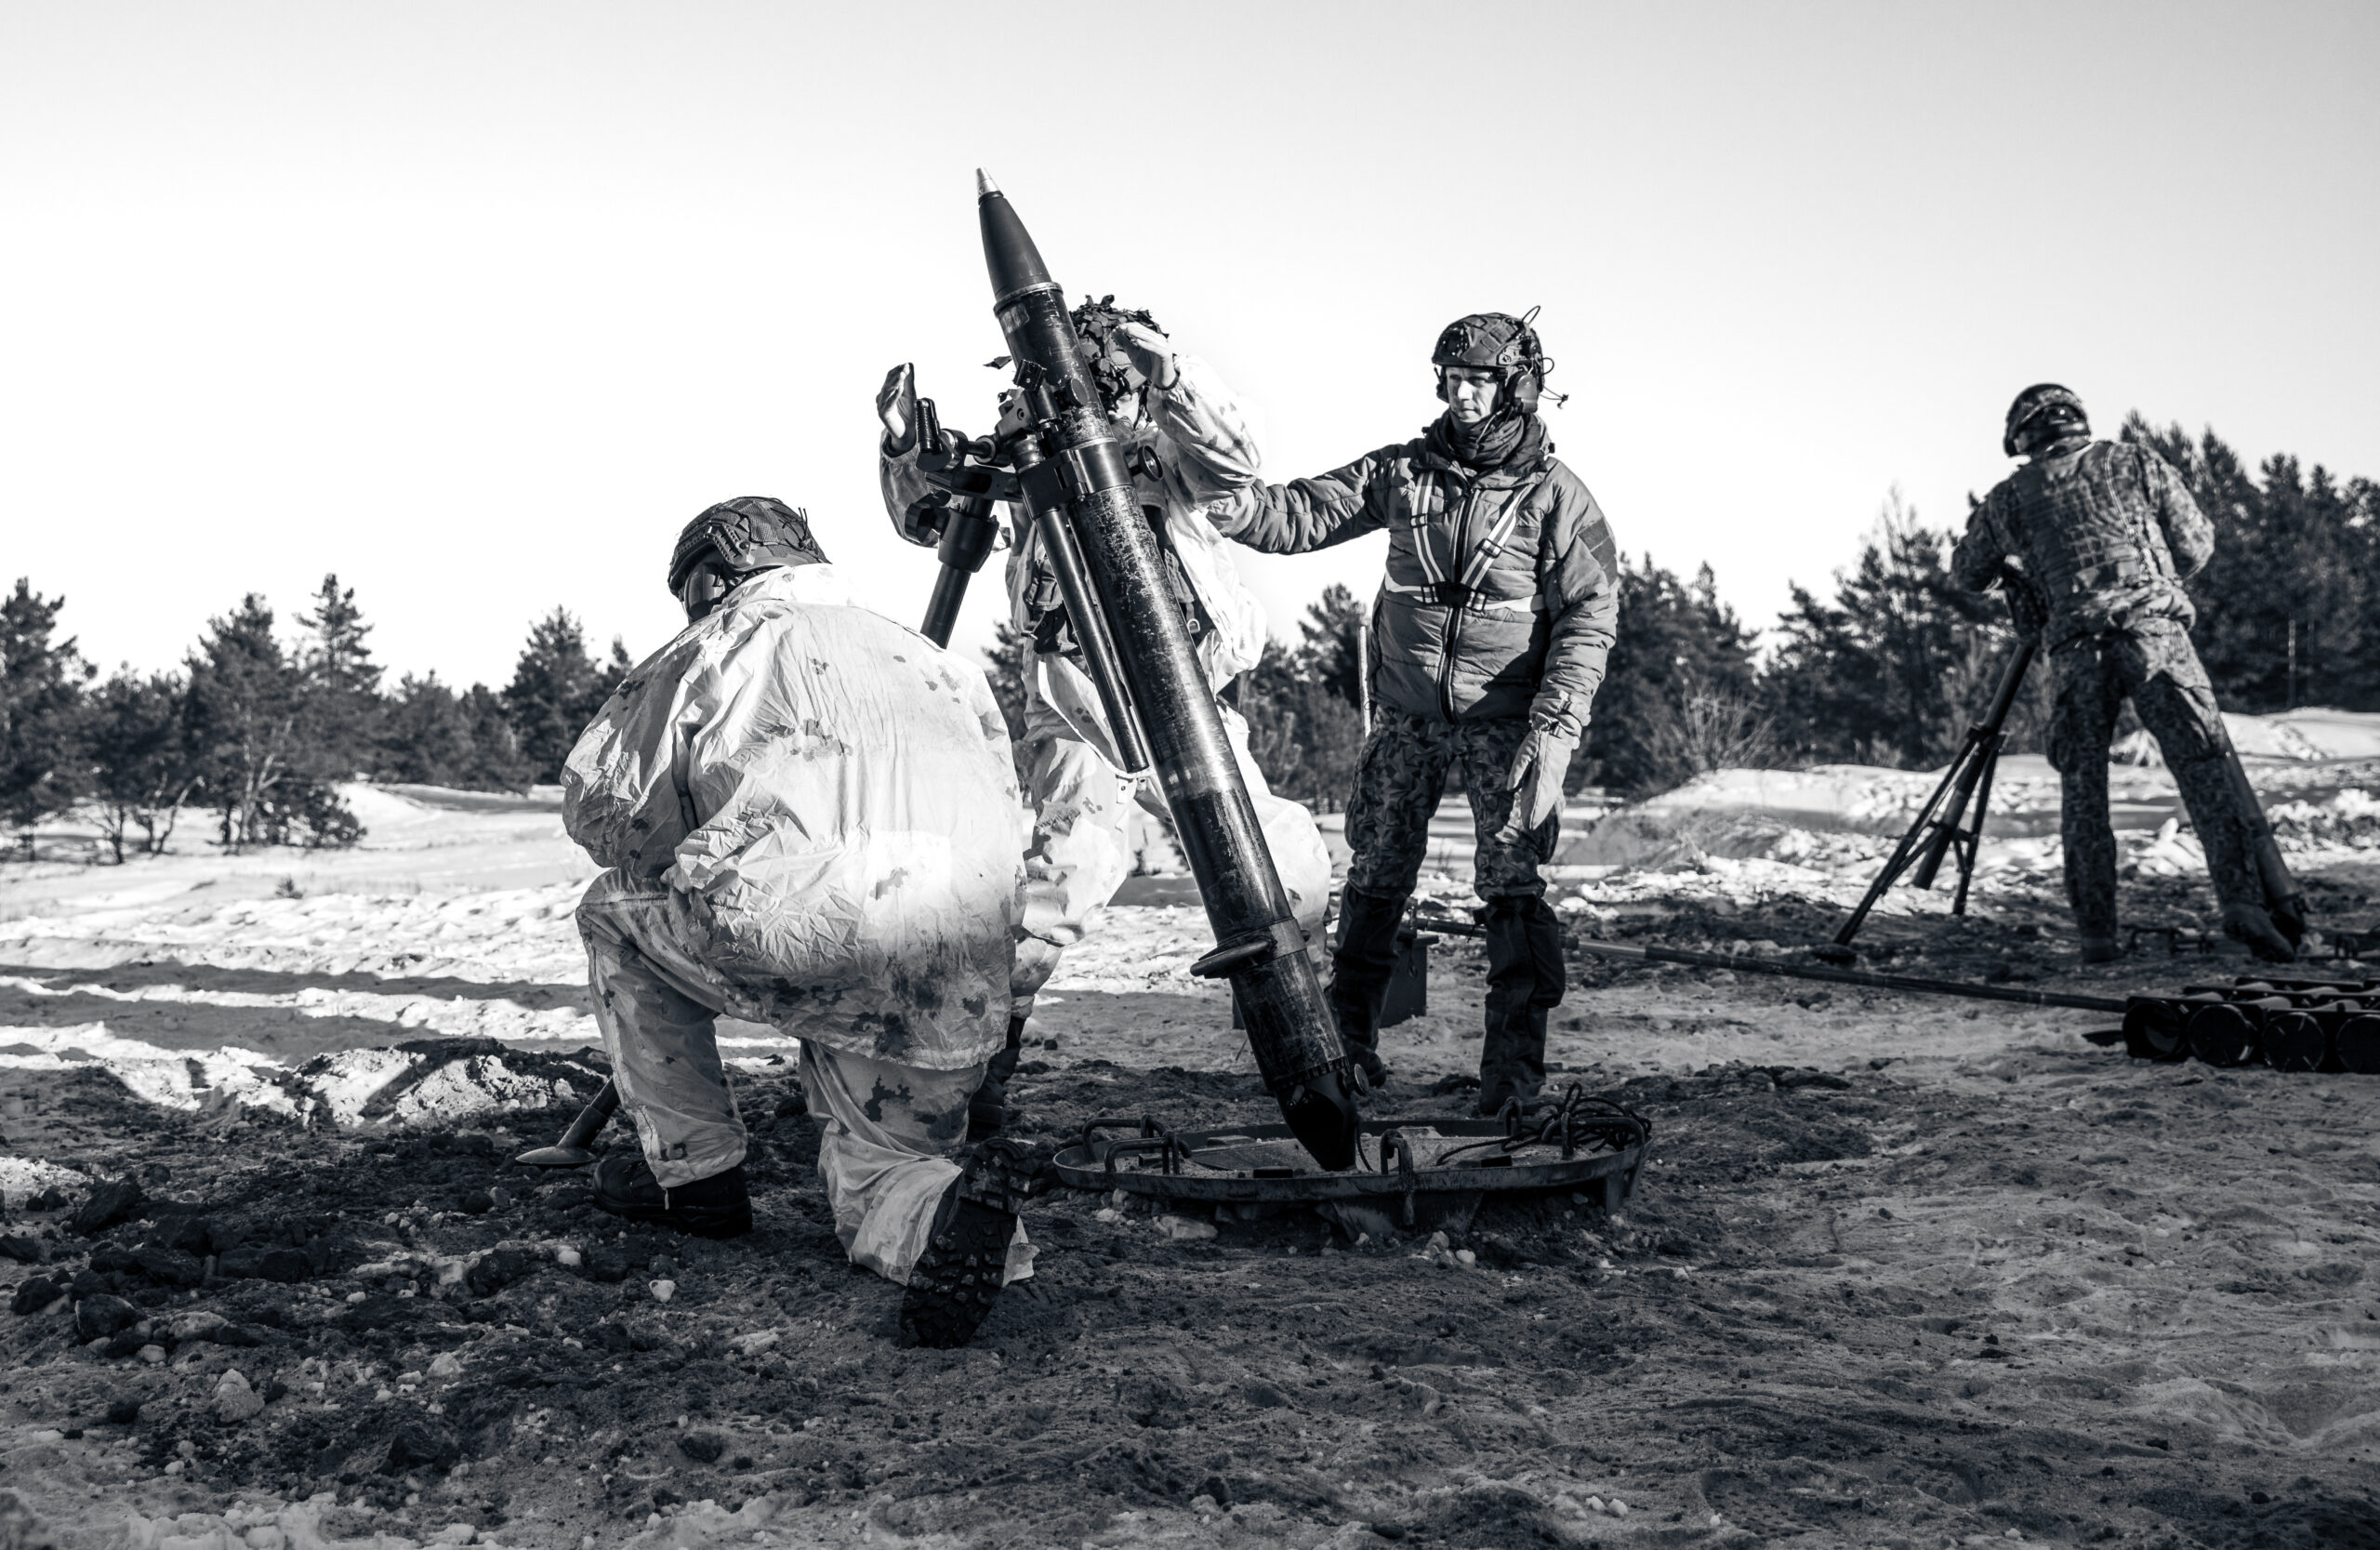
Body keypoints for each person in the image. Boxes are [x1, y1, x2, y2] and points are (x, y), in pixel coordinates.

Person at [562, 496, 1045, 1347]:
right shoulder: (935, 659)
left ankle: (695, 1175)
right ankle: (944, 1213)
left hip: (796, 931)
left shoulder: (716, 641)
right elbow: (1009, 807)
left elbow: (611, 809)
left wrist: (688, 856)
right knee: (879, 1158)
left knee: (613, 914)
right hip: (953, 948)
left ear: (712, 575)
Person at [877, 301, 1333, 1130]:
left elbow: (1239, 459)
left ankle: (1305, 1042)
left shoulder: (1166, 454)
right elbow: (936, 516)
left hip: (1189, 698)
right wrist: (908, 449)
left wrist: (1174, 372)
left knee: (1290, 869)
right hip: (1079, 706)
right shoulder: (1033, 456)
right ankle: (977, 1080)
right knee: (1054, 890)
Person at [1205, 311, 1619, 1113]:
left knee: (1512, 888)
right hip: (1406, 718)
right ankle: (1347, 1047)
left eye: (1479, 382)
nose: (1462, 396)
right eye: (1452, 380)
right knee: (1376, 877)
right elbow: (1298, 513)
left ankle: (1510, 1081)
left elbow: (1590, 617)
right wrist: (1217, 500)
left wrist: (1556, 726)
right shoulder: (1404, 473)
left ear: (1518, 389)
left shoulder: (1558, 500)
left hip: (1510, 725)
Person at [1951, 384, 2295, 964]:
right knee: (2204, 772)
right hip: (2155, 635)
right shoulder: (2134, 462)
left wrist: (2016, 568)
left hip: (2077, 654)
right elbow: (2195, 545)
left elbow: (1966, 572)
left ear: (2023, 437)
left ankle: (2097, 934)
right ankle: (2243, 903)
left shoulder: (2008, 499)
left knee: (2084, 795)